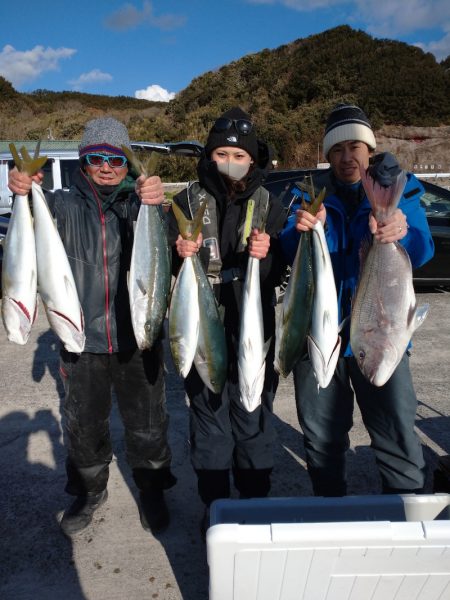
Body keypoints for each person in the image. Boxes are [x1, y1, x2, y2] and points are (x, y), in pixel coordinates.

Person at [8, 117, 176, 536]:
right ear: (83, 162)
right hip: (81, 341)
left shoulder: (142, 206)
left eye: (115, 158)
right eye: (96, 157)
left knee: (149, 425)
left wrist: (158, 204)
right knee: (83, 426)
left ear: (126, 164)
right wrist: (23, 193)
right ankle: (89, 492)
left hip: (138, 339)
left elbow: (173, 246)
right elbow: (27, 237)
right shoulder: (61, 206)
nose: (106, 166)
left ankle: (152, 490)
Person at [279, 103, 435, 497]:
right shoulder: (306, 194)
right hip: (320, 334)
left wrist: (399, 229)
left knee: (397, 429)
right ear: (328, 155)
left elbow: (422, 248)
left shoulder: (400, 186)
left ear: (369, 148)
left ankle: (407, 513)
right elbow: (286, 248)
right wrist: (303, 230)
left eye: (355, 147)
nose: (347, 157)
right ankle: (331, 506)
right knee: (322, 436)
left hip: (381, 336)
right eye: (337, 150)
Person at [167, 107, 287, 534]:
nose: (231, 162)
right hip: (203, 321)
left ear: (253, 160)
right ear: (208, 155)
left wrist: (267, 254)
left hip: (252, 321)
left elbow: (279, 271)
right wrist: (178, 253)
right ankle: (215, 504)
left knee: (254, 415)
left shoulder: (273, 204)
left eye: (239, 155)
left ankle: (255, 501)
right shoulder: (183, 202)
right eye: (221, 153)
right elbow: (161, 268)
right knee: (209, 418)